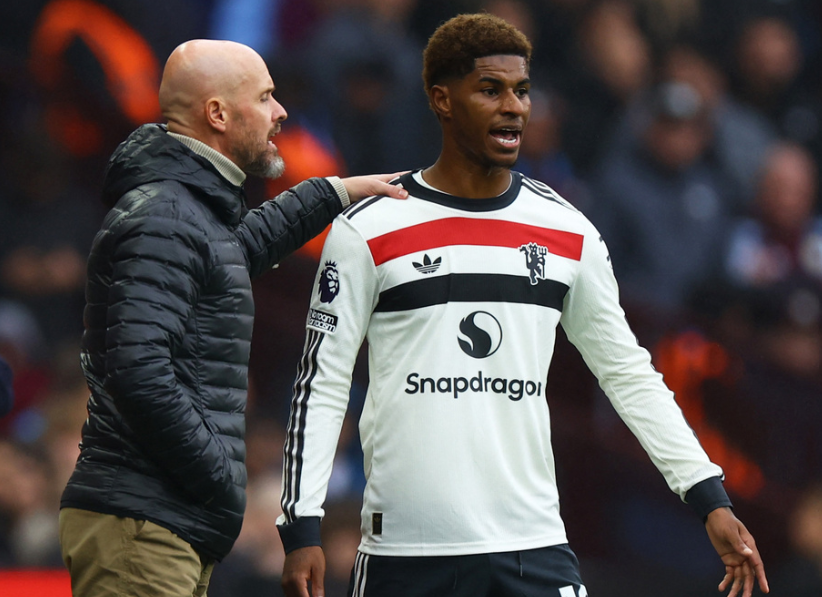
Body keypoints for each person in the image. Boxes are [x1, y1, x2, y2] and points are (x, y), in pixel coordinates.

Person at [277, 14, 769, 597]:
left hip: (533, 548)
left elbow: (628, 372)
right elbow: (323, 381)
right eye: (490, 90)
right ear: (442, 99)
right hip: (407, 554)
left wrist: (706, 494)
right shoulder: (371, 229)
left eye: (522, 90)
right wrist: (301, 525)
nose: (514, 106)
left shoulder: (566, 231)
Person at [57, 38, 407, 597]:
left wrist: (336, 192)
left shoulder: (183, 209)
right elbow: (138, 370)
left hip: (159, 519)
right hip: (144, 522)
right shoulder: (166, 216)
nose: (281, 112)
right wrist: (219, 476)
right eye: (266, 97)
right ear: (217, 114)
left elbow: (234, 252)